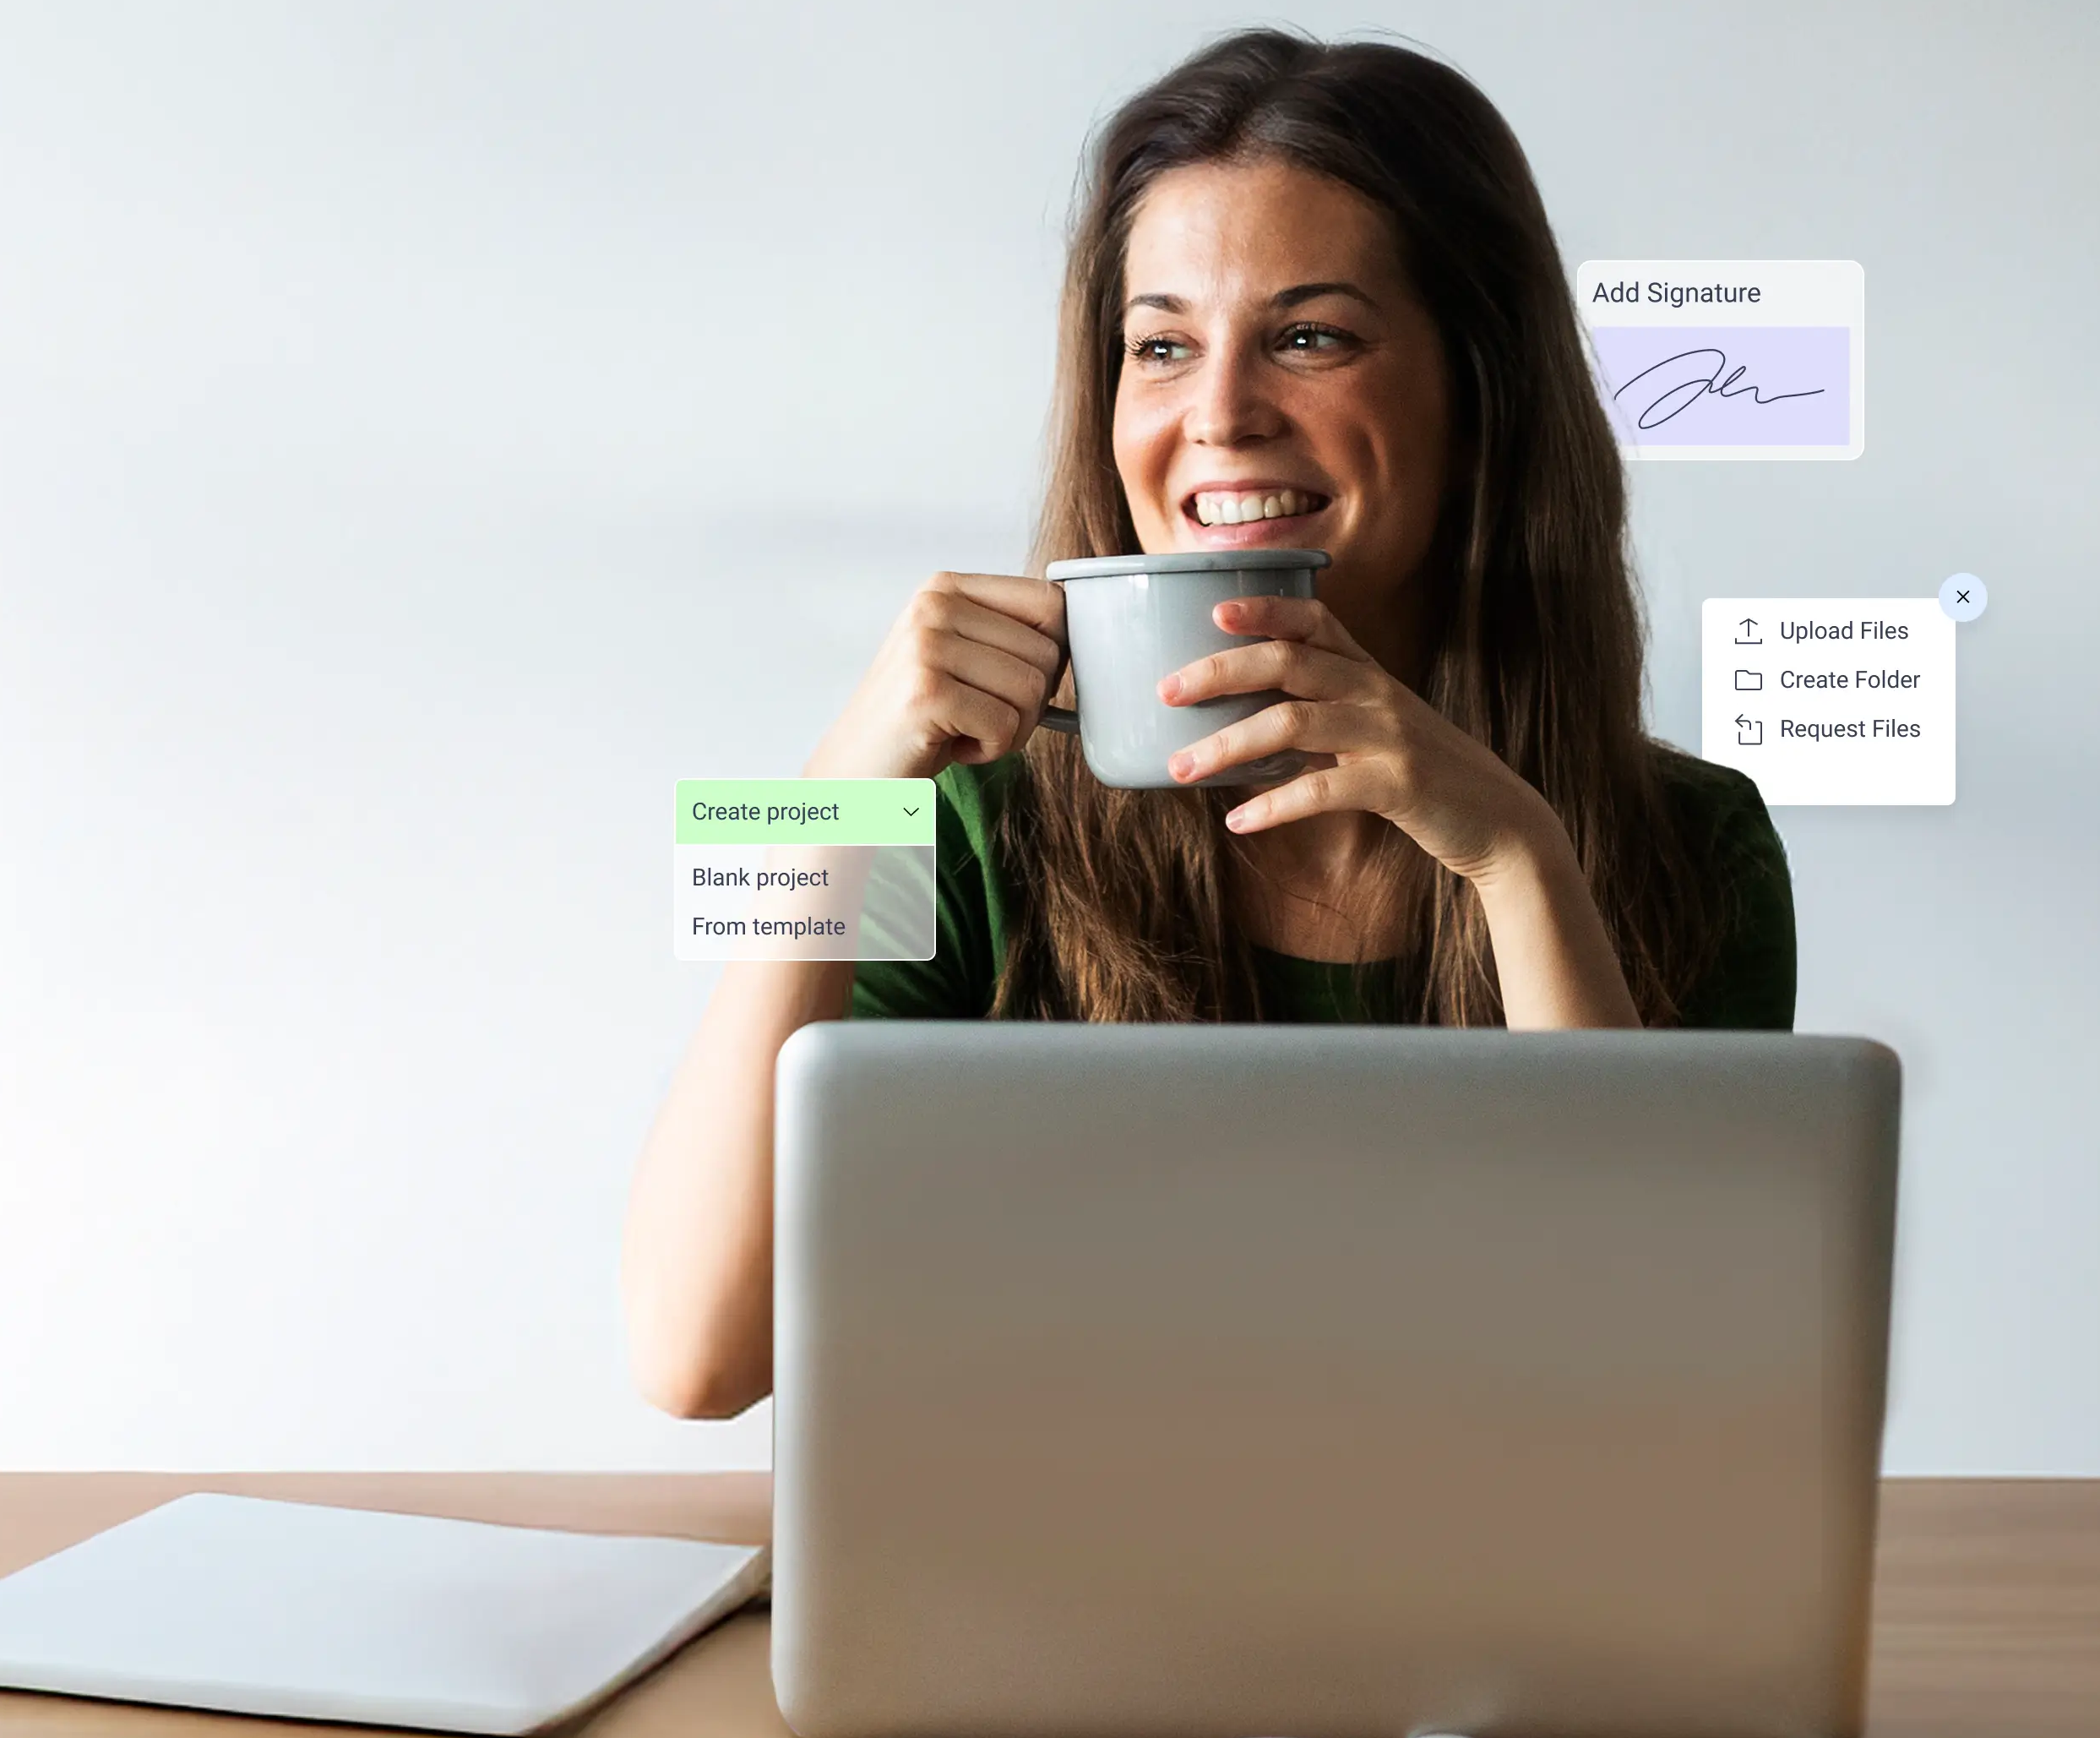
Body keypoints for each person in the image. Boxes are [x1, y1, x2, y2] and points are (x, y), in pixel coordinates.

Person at [622, 29, 1794, 1420]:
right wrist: (831, 797)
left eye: (1310, 336)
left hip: (1488, 1628)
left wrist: (1521, 859)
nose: (1220, 416)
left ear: (1482, 398)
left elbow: (1649, 1394)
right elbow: (693, 1362)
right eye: (1161, 345)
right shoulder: (958, 825)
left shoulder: (1694, 839)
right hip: (1044, 1620)